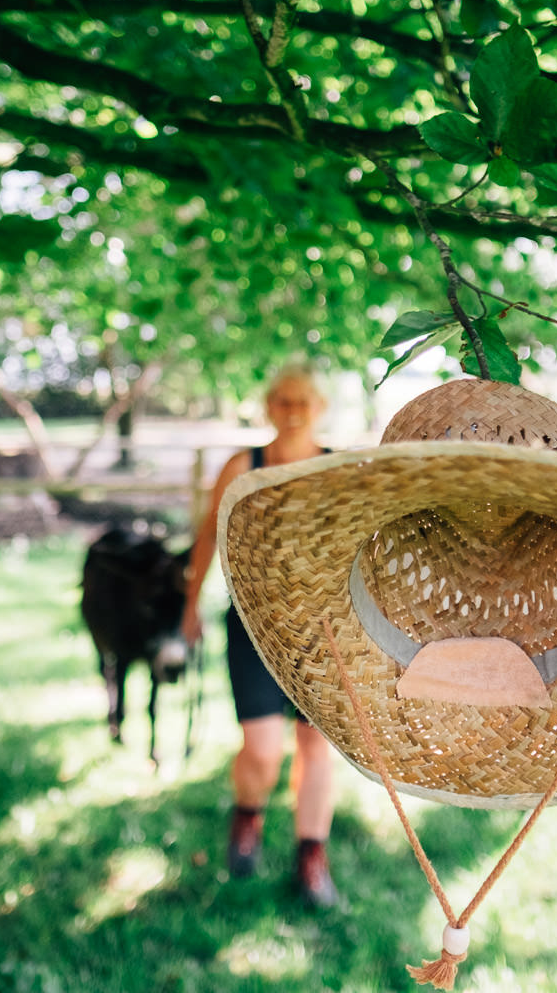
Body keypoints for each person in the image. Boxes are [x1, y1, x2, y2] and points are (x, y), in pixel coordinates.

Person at [182, 366, 341, 908]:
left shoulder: (337, 467)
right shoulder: (242, 465)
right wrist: (190, 605)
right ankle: (248, 815)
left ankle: (311, 857)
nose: (292, 409)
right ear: (268, 407)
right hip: (251, 625)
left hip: (321, 632)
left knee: (316, 745)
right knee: (263, 750)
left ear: (317, 407)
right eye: (282, 400)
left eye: (302, 400)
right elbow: (208, 535)